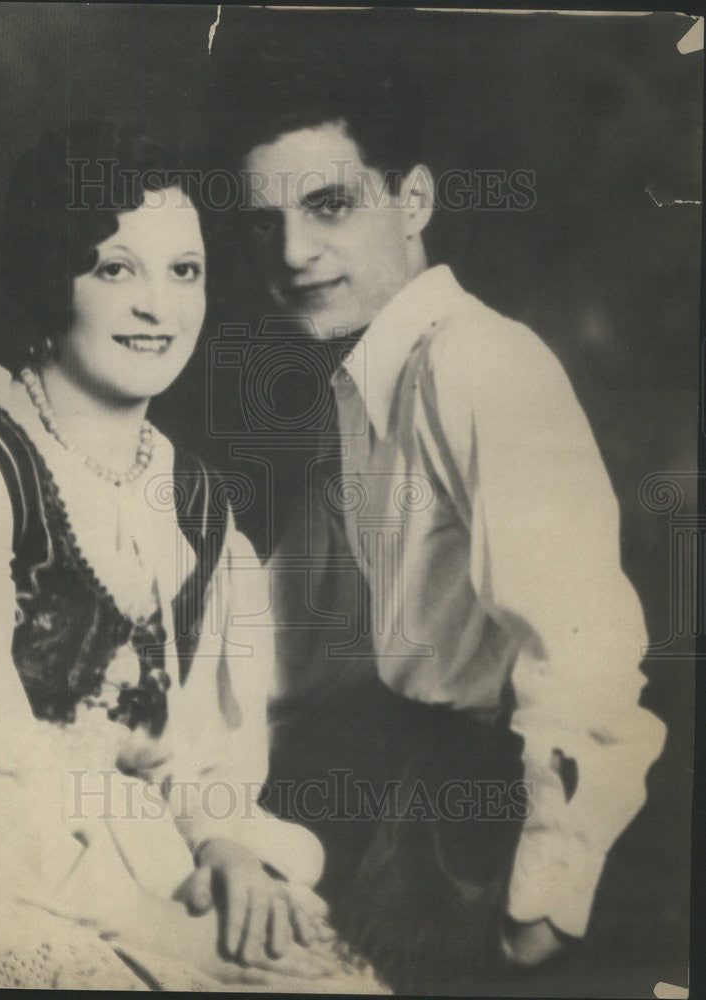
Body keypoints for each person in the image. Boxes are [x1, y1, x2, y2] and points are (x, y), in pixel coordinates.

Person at [209, 44, 668, 993]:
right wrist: (199, 800)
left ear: (411, 201)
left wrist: (544, 899)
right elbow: (287, 642)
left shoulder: (476, 364)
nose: (293, 254)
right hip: (418, 800)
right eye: (266, 223)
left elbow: (583, 647)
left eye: (329, 205)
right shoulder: (364, 380)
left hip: (517, 823)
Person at [0, 120, 382, 992]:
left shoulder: (195, 506)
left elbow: (198, 757)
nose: (158, 307)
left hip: (153, 847)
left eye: (184, 271)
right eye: (116, 268)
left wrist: (225, 845)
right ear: (51, 275)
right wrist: (154, 918)